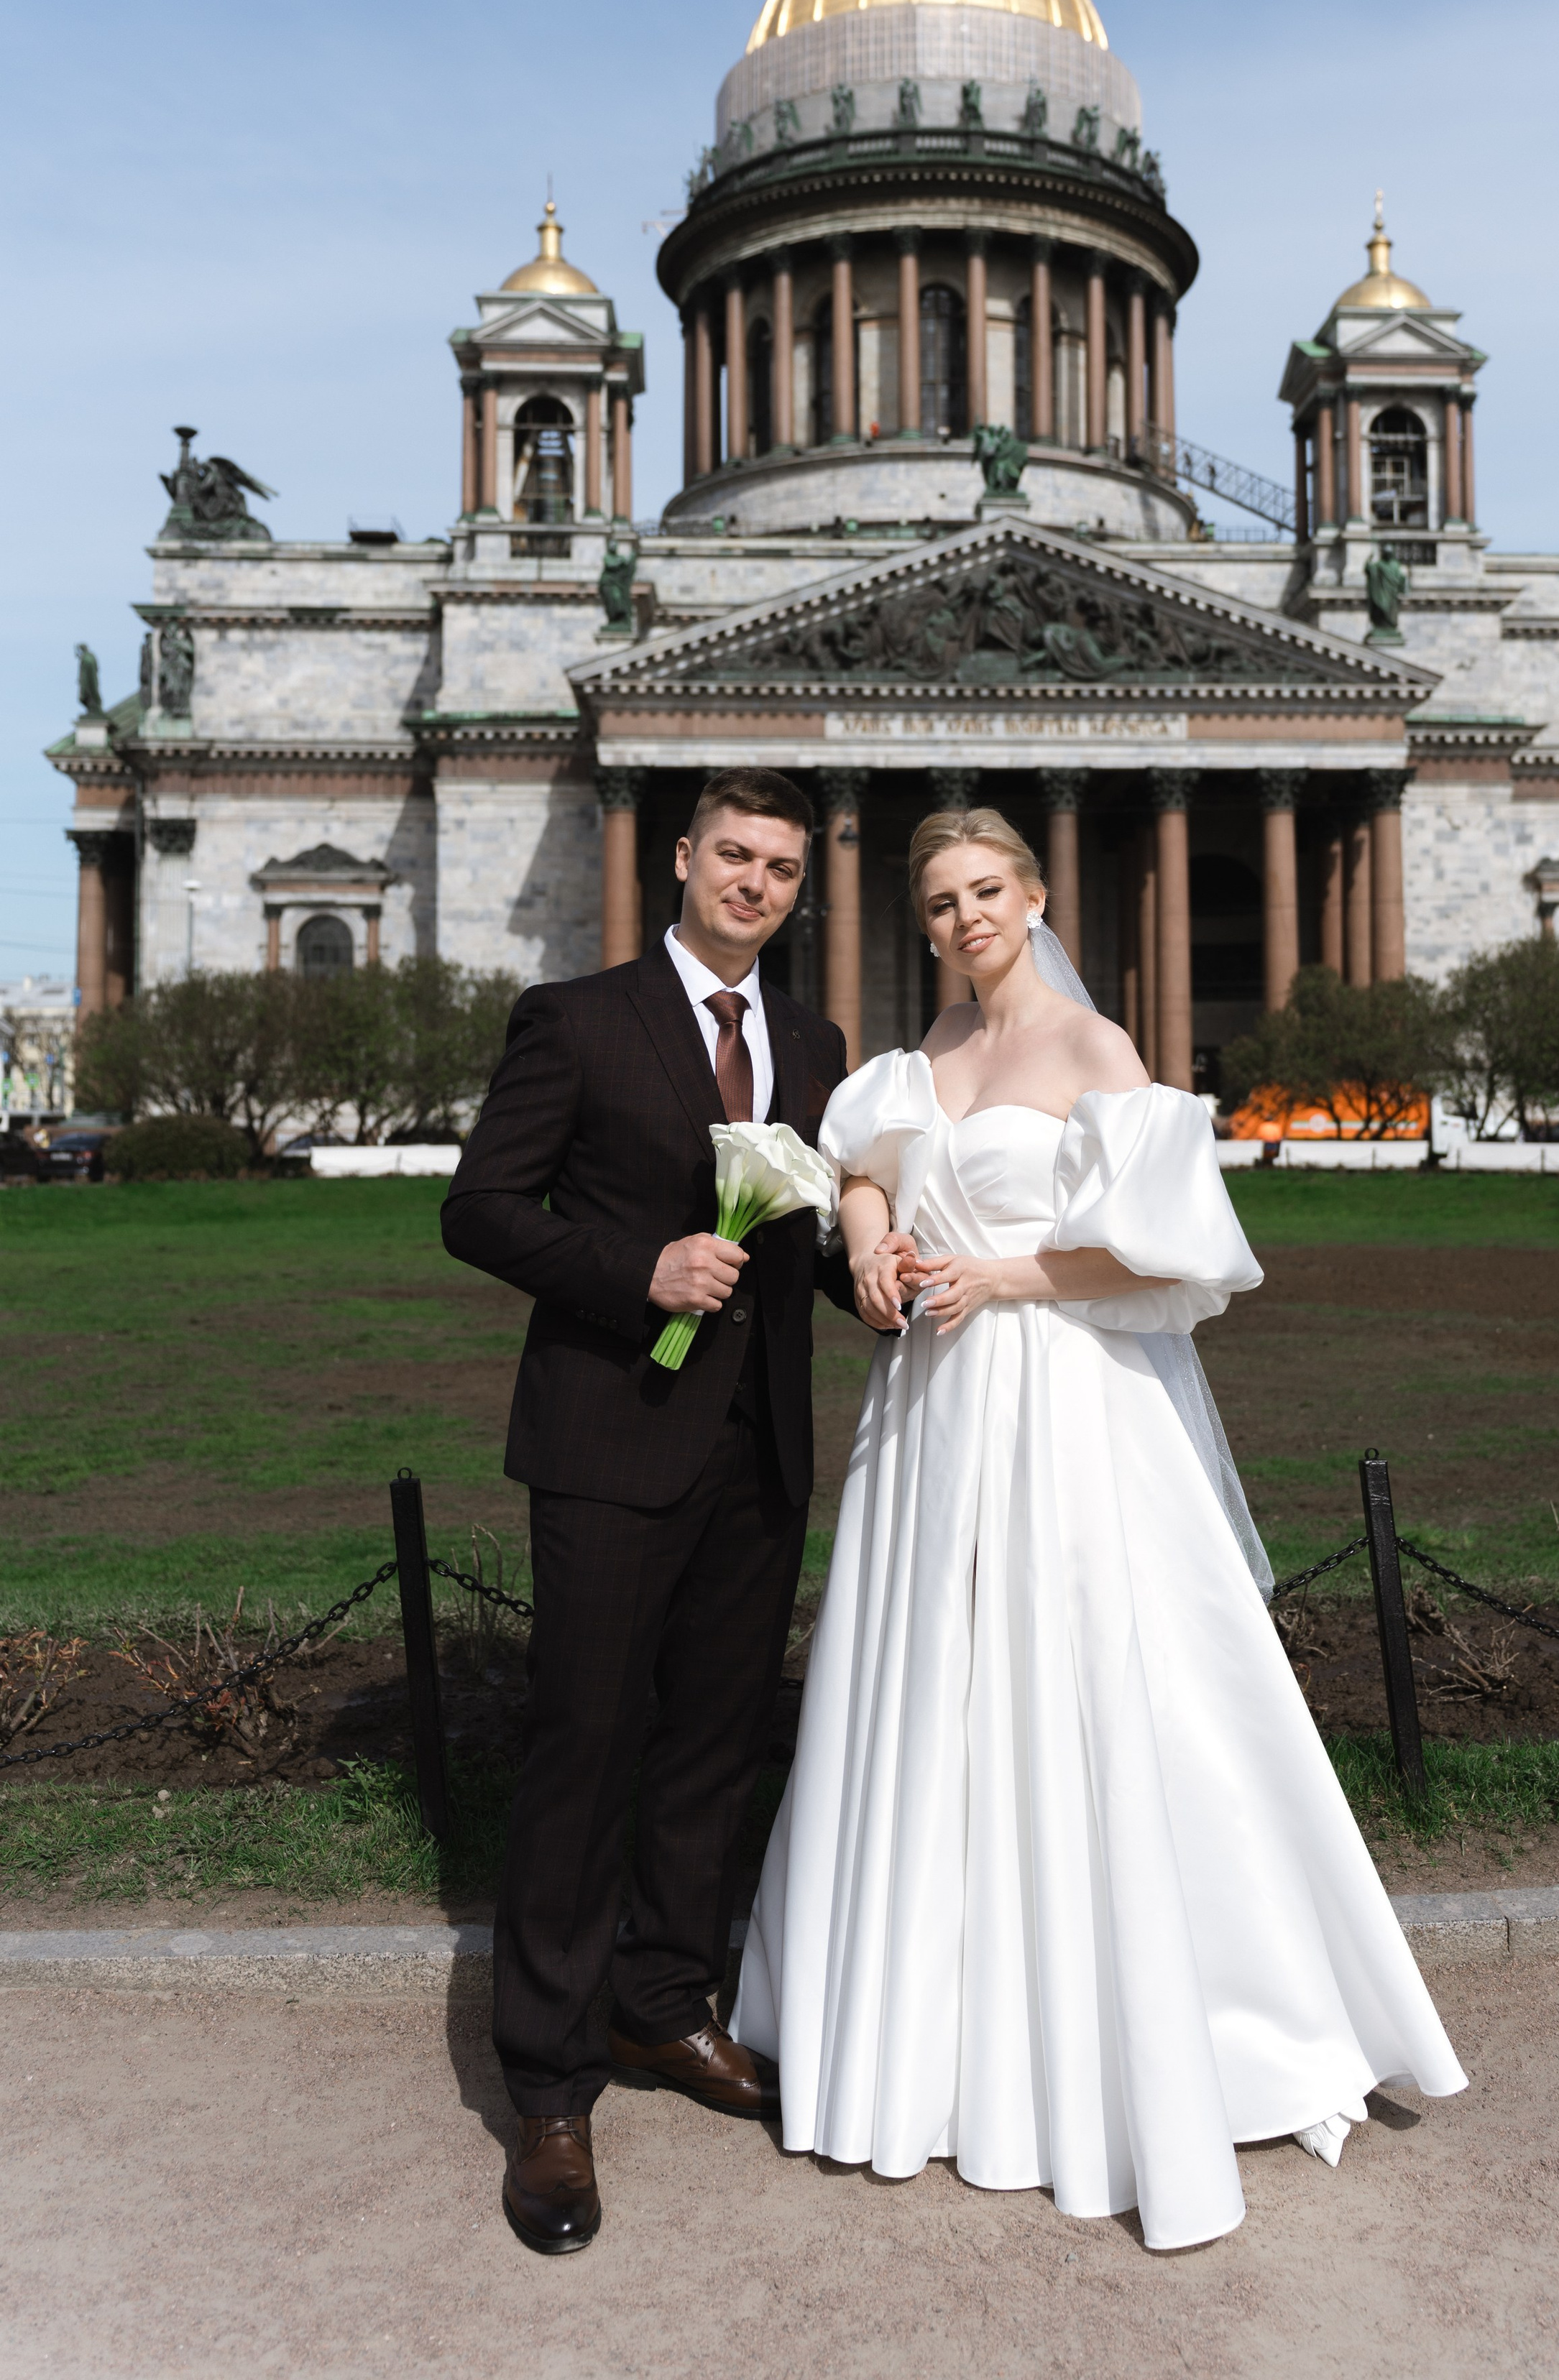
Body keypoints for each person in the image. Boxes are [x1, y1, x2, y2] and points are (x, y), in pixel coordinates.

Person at [732, 806, 1466, 2252]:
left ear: (1036, 893)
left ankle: (1142, 2032)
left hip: (1059, 1407)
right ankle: (921, 2038)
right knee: (923, 1694)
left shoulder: (1098, 1051)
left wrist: (996, 1278)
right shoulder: (911, 1060)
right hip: (929, 1420)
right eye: (938, 901)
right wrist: (872, 1244)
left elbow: (1164, 1254)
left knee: (1085, 1690)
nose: (962, 920)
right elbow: (870, 1155)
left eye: (984, 892)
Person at [443, 769, 890, 2257]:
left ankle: (659, 2007)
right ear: (679, 861)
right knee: (583, 1750)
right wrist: (632, 1272)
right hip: (607, 1441)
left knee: (709, 1748)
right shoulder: (574, 1019)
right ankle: (551, 2092)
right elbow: (484, 1208)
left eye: (779, 868)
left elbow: (810, 1240)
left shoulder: (813, 1044)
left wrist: (883, 1286)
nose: (755, 884)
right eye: (733, 857)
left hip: (755, 1452)